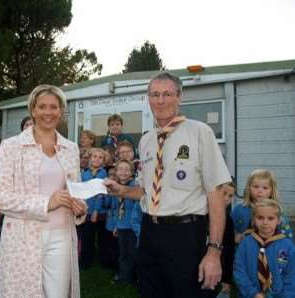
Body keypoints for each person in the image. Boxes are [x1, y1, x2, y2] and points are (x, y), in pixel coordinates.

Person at [104, 71, 231, 298]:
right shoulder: (146, 140)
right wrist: (122, 190)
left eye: (167, 94)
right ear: (148, 98)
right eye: (154, 94)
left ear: (179, 97)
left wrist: (214, 251)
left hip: (185, 234)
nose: (160, 100)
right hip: (149, 232)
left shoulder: (200, 132)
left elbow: (216, 193)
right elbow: (146, 190)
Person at [0, 84, 87, 298]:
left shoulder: (71, 148)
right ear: (32, 109)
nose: (48, 112)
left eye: (54, 107)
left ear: (61, 110)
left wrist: (79, 207)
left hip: (61, 234)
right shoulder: (12, 146)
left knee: (58, 294)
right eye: (42, 106)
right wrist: (46, 203)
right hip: (22, 235)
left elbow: (74, 190)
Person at [234, 199, 295, 298]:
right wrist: (252, 293)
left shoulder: (287, 246)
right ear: (253, 219)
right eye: (260, 218)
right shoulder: (245, 243)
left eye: (271, 218)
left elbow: (292, 276)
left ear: (279, 220)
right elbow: (239, 271)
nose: (265, 222)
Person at [232, 169, 293, 244]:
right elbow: (228, 232)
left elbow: (288, 241)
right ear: (249, 188)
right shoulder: (238, 209)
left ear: (272, 191)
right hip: (243, 252)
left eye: (265, 188)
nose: (260, 191)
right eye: (256, 186)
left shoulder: (278, 212)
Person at [112, 159, 140, 285]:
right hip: (121, 226)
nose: (123, 172)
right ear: (116, 172)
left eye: (127, 169)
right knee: (123, 253)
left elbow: (137, 210)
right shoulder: (114, 187)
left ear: (131, 172)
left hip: (132, 227)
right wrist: (116, 226)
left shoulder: (134, 186)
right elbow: (116, 208)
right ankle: (124, 277)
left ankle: (136, 277)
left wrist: (137, 227)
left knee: (134, 253)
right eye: (120, 169)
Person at [80, 147, 108, 270]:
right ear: (90, 158)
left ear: (103, 161)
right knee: (87, 237)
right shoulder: (84, 173)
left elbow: (100, 194)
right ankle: (86, 261)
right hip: (86, 210)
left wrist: (96, 211)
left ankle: (104, 261)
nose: (97, 159)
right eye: (94, 156)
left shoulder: (103, 173)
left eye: (100, 157)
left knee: (102, 238)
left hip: (99, 212)